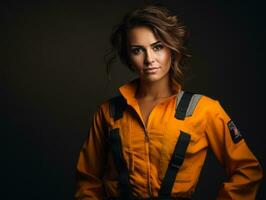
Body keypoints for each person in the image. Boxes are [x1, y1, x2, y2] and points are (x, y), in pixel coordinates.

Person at [75, 5, 263, 200]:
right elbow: (87, 179)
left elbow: (247, 170)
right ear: (129, 57)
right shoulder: (109, 112)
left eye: (157, 47)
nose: (149, 59)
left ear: (172, 50)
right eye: (138, 50)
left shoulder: (204, 110)